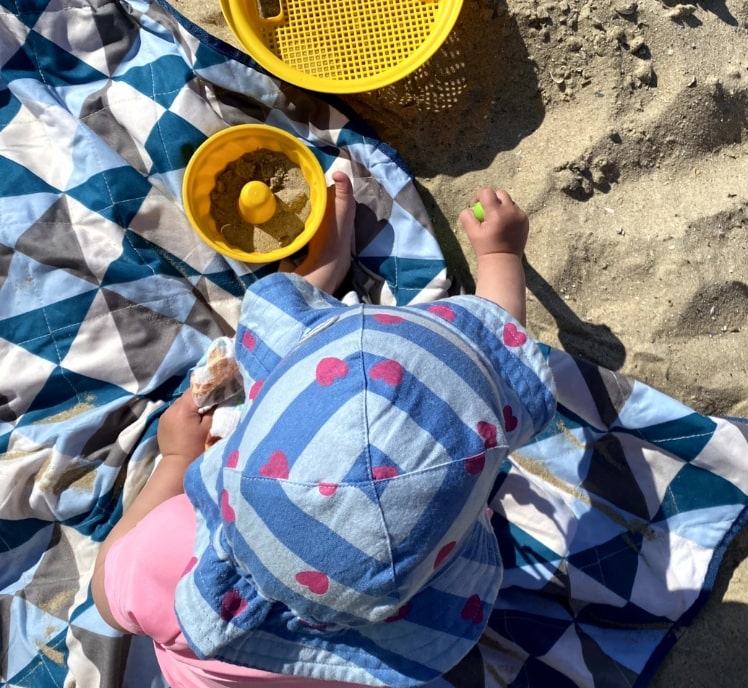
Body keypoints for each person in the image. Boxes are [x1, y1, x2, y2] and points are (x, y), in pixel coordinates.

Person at [91, 172, 556, 688]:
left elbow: (105, 596)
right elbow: (498, 363)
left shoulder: (169, 555)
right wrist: (500, 258)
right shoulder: (412, 599)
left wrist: (177, 461)